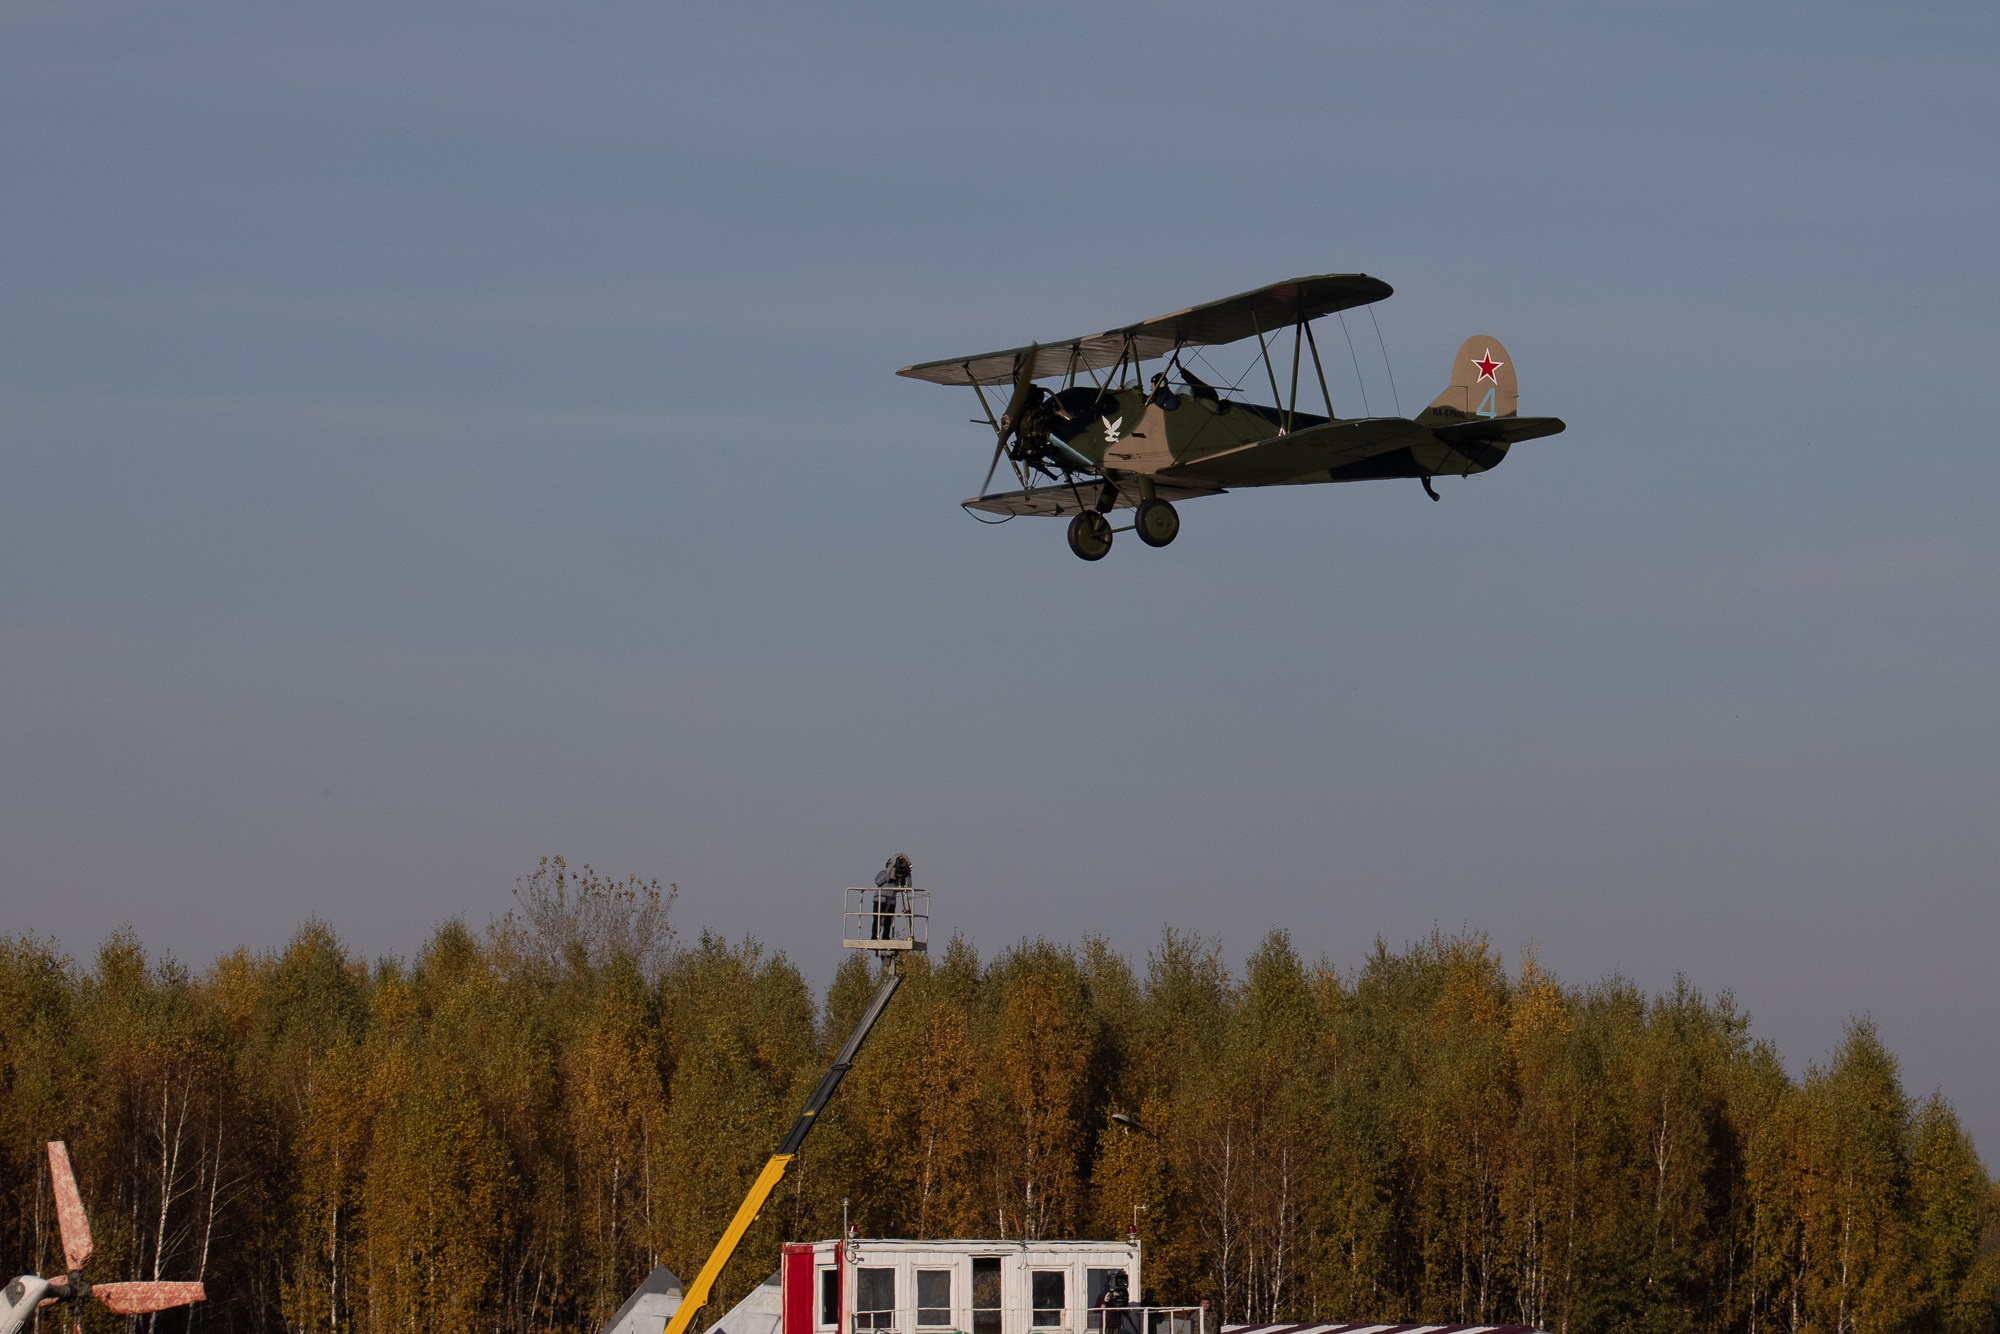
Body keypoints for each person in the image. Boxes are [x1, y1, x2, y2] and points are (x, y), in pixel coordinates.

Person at [870, 854, 912, 939]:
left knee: (888, 920)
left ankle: (885, 936)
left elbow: (908, 887)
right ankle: (874, 937)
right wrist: (888, 874)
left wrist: (908, 873)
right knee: (877, 919)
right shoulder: (883, 873)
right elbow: (878, 881)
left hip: (891, 900)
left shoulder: (897, 876)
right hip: (880, 899)